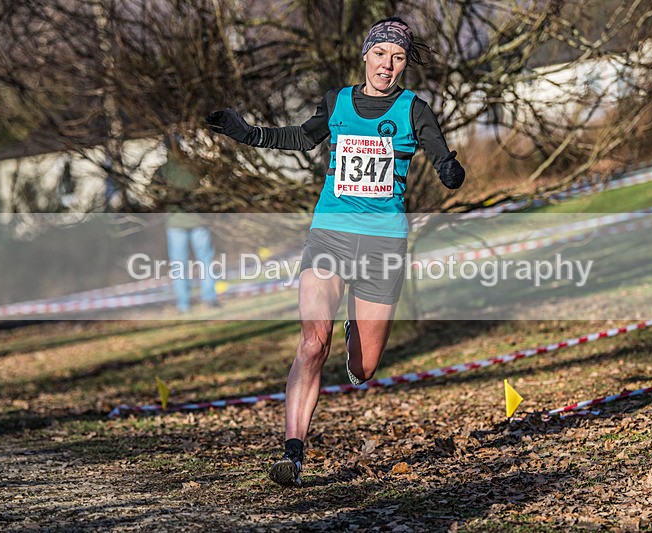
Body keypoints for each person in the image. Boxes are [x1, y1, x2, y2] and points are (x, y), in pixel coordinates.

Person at [206, 17, 465, 486]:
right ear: (365, 55)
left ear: (405, 64)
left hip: (383, 245)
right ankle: (293, 451)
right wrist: (247, 133)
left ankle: (354, 326)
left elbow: (437, 150)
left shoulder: (413, 108)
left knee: (362, 370)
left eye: (398, 57)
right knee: (311, 344)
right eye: (381, 54)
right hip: (330, 236)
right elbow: (299, 137)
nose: (388, 65)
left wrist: (449, 168)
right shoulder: (338, 102)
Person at [156, 136, 219, 313]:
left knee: (178, 266)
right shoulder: (193, 166)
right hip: (198, 220)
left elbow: (152, 192)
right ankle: (210, 298)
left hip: (175, 223)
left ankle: (183, 305)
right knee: (205, 261)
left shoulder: (163, 171)